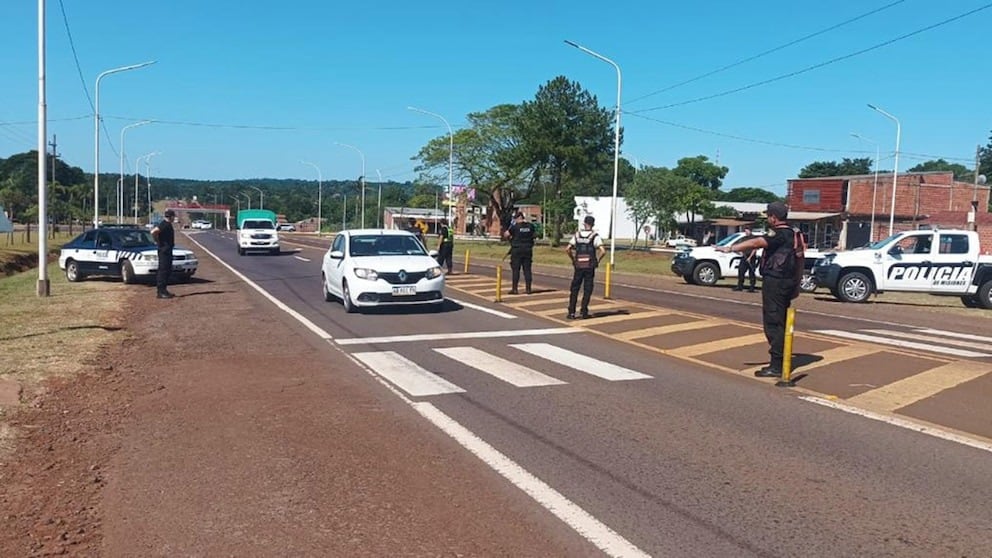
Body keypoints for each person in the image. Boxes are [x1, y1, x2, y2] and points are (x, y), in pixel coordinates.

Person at [716, 202, 799, 378]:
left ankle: (777, 365)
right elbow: (799, 258)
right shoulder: (794, 233)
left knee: (773, 322)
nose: (768, 219)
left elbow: (756, 242)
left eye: (769, 216)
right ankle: (781, 361)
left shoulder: (778, 233)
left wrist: (731, 248)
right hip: (787, 282)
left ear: (774, 218)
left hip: (775, 282)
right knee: (781, 321)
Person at [565, 215, 606, 320]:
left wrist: (573, 259)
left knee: (574, 289)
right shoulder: (595, 236)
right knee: (587, 289)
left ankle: (571, 312)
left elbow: (568, 249)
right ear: (593, 224)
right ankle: (583, 311)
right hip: (589, 266)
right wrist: (597, 260)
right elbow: (603, 251)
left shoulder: (577, 235)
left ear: (584, 223)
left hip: (578, 265)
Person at [502, 211, 535, 294]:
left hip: (517, 250)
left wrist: (509, 236)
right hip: (528, 249)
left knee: (516, 270)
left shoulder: (515, 227)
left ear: (518, 218)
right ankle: (528, 289)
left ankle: (515, 289)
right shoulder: (531, 226)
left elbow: (506, 235)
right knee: (527, 270)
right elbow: (534, 235)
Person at [151, 209, 177, 299]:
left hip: (167, 249)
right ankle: (160, 291)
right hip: (164, 250)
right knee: (163, 270)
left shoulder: (167, 224)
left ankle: (164, 290)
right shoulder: (164, 224)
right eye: (174, 216)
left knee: (167, 270)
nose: (174, 218)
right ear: (171, 217)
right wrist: (157, 241)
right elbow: (153, 231)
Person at [733, 227, 757, 292]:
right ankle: (740, 286)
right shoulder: (744, 238)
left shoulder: (754, 238)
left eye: (747, 230)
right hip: (744, 256)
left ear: (750, 230)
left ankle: (752, 287)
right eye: (745, 230)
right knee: (741, 271)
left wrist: (750, 257)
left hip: (751, 257)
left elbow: (755, 249)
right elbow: (741, 246)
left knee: (751, 272)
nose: (746, 232)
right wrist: (740, 251)